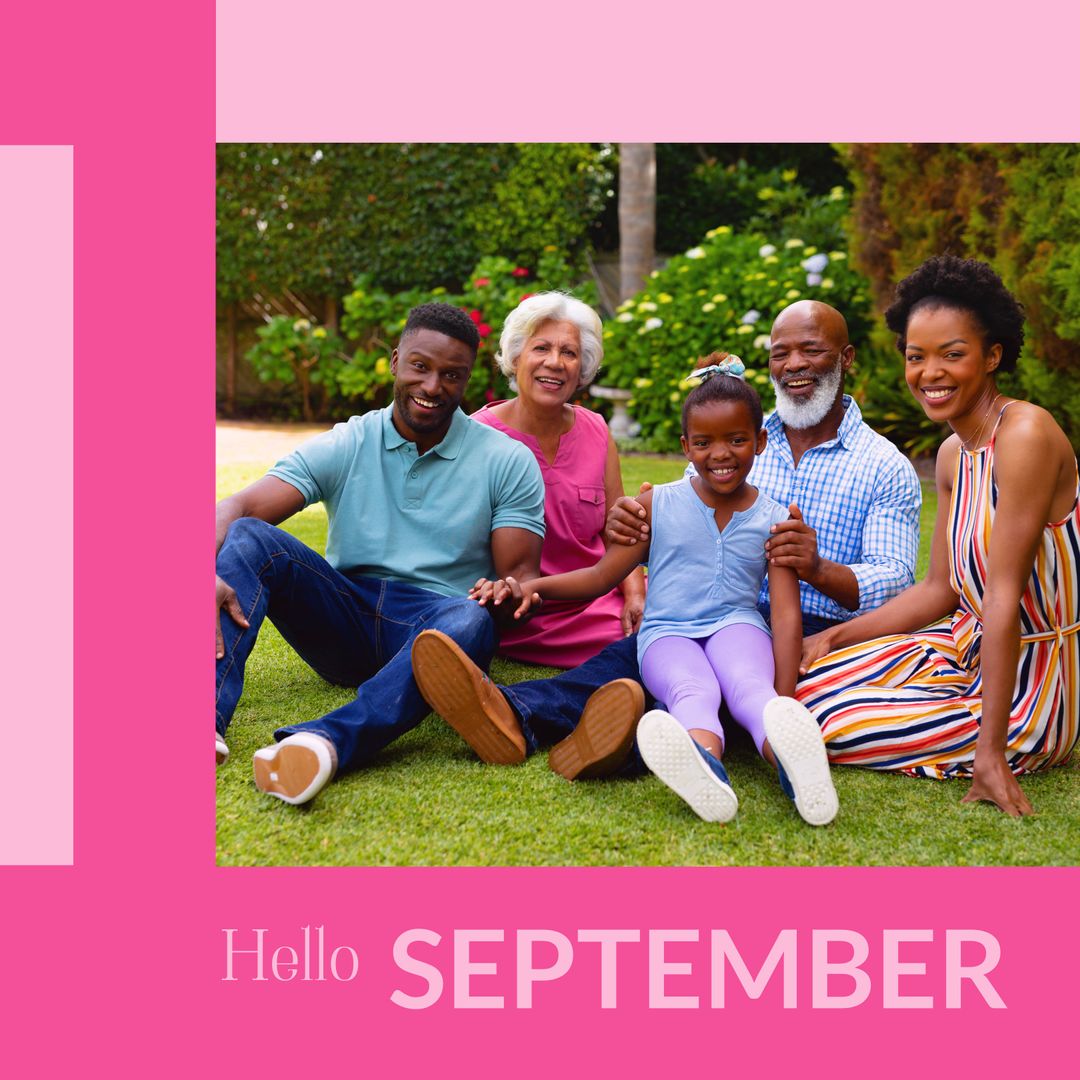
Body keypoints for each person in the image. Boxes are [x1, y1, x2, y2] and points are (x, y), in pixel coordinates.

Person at [411, 300, 921, 777]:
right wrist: (625, 525)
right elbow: (674, 526)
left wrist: (818, 568)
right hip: (705, 609)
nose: (794, 365)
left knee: (706, 684)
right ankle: (525, 716)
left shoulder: (883, 465)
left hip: (807, 626)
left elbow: (897, 577)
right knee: (652, 658)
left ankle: (584, 735)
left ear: (846, 358)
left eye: (811, 350)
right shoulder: (734, 433)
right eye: (780, 353)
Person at [466, 356, 838, 825]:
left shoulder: (776, 519)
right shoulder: (655, 505)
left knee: (752, 689)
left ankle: (792, 760)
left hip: (738, 627)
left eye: (737, 440)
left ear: (761, 441)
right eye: (704, 442)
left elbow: (784, 616)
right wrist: (532, 587)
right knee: (692, 690)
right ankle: (707, 770)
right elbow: (602, 577)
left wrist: (785, 701)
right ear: (685, 446)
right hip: (667, 633)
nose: (720, 454)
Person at [214, 302, 546, 806]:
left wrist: (510, 593)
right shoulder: (352, 439)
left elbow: (519, 575)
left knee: (473, 619)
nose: (433, 386)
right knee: (248, 536)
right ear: (395, 362)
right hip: (342, 615)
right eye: (420, 366)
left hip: (434, 627)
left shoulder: (507, 459)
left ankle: (323, 742)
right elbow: (240, 505)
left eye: (451, 375)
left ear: (469, 381)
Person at [796, 255, 1080, 817]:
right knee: (795, 683)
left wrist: (991, 754)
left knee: (823, 720)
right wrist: (837, 637)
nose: (930, 373)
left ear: (992, 356)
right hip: (961, 645)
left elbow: (1002, 600)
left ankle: (989, 738)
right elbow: (940, 589)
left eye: (952, 354)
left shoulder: (1025, 435)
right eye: (916, 356)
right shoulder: (953, 454)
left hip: (1033, 688)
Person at [470, 292, 646, 665]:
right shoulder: (477, 435)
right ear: (516, 357)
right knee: (657, 643)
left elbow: (617, 534)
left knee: (682, 618)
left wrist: (634, 593)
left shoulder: (596, 428)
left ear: (582, 368)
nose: (555, 363)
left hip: (601, 595)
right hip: (525, 613)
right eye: (541, 348)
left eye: (569, 353)